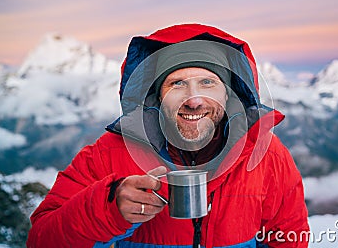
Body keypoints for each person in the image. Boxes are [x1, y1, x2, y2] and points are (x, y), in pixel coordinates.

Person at [27, 23, 309, 248]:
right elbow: (41, 239)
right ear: (156, 97)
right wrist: (109, 208)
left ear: (229, 94)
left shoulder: (267, 155)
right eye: (177, 84)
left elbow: (287, 239)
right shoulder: (107, 154)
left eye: (208, 82)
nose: (194, 100)